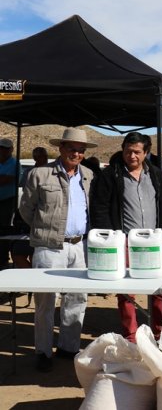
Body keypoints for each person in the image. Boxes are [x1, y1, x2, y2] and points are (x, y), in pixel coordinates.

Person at [19, 128, 96, 372]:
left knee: (77, 299)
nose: (76, 153)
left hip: (79, 245)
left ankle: (68, 347)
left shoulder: (89, 176)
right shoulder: (39, 174)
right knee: (45, 301)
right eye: (72, 148)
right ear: (61, 148)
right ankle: (43, 351)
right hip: (49, 246)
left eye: (81, 150)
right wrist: (45, 230)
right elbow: (26, 209)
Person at [90, 132, 162, 343]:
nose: (132, 156)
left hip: (154, 242)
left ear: (146, 153)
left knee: (159, 291)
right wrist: (111, 240)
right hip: (125, 242)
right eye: (128, 151)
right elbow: (100, 208)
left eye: (137, 152)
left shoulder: (155, 174)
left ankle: (160, 333)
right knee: (127, 292)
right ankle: (131, 336)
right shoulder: (111, 175)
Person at [12, 147, 49, 269]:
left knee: (34, 254)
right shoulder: (29, 172)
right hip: (30, 217)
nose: (39, 159)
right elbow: (26, 192)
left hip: (44, 218)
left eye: (42, 156)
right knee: (19, 253)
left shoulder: (52, 170)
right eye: (37, 157)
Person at [0, 137, 19, 268]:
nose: (2, 151)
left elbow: (5, 180)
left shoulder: (15, 164)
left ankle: (2, 257)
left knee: (3, 229)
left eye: (5, 149)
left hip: (7, 201)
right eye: (1, 148)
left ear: (11, 150)